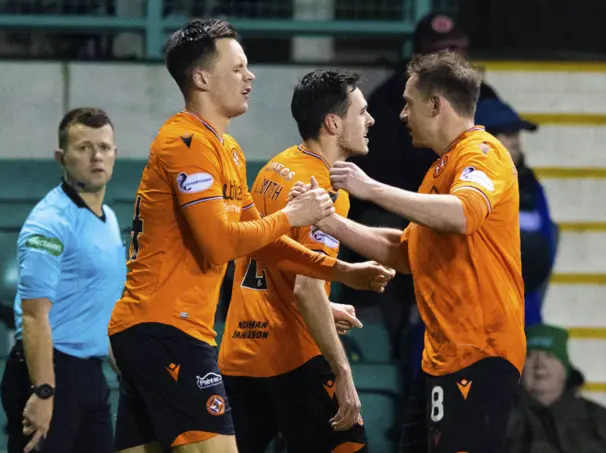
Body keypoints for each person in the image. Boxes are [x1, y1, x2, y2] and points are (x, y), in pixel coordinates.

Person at [107, 19, 394, 453]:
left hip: (163, 331)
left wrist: (343, 271)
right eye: (238, 67)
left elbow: (260, 241)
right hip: (169, 329)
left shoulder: (228, 149)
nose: (250, 76)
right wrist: (294, 214)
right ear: (202, 78)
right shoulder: (185, 141)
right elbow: (220, 243)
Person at [290, 51, 526, 453]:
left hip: (479, 352)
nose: (400, 115)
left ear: (435, 105)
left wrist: (371, 189)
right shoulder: (438, 172)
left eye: (408, 103)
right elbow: (403, 252)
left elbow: (464, 214)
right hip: (442, 356)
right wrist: (331, 223)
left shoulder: (483, 153)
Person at [218, 69, 375, 453]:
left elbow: (273, 263)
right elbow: (307, 284)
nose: (370, 120)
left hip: (241, 353)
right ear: (333, 122)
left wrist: (326, 302)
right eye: (361, 112)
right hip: (292, 358)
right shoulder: (323, 189)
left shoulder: (276, 168)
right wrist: (343, 371)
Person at [0, 107, 125, 453]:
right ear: (62, 157)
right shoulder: (49, 223)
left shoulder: (110, 218)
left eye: (104, 147)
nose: (97, 156)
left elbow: (103, 302)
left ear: (115, 154)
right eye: (84, 147)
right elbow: (33, 315)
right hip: (47, 373)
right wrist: (43, 391)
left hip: (90, 375)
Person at [474, 98, 558, 326]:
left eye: (516, 136)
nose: (517, 143)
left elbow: (546, 243)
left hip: (523, 305)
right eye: (508, 135)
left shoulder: (530, 185)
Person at [506, 324, 606, 453]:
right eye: (530, 356)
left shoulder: (601, 422)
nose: (540, 365)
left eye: (550, 356)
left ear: (565, 369)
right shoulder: (497, 422)